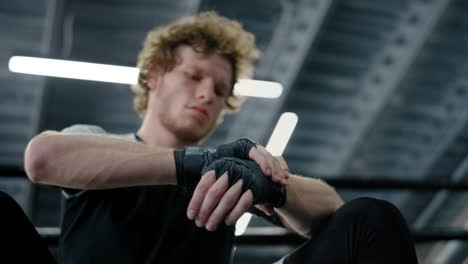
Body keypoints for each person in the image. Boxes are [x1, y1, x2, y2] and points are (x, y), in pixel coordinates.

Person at [19, 11, 418, 263]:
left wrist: (269, 187)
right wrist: (195, 163)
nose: (208, 93)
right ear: (154, 76)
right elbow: (42, 157)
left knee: (372, 218)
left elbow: (337, 214)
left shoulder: (235, 171)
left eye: (221, 89)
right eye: (193, 76)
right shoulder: (97, 142)